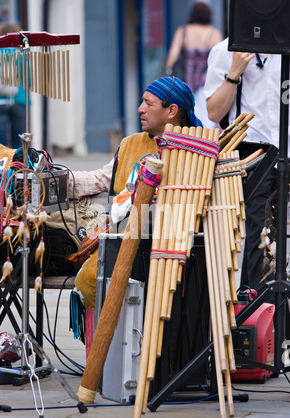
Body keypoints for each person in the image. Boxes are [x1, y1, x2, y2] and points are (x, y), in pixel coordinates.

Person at [70, 76, 203, 315]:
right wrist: (58, 180)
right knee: (90, 278)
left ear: (172, 110)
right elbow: (101, 179)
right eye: (142, 102)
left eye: (149, 104)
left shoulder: (195, 149)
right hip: (122, 239)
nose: (140, 109)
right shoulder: (130, 143)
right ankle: (111, 346)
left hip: (172, 245)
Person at [204, 37, 285, 293]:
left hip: (286, 143)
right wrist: (234, 73)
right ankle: (260, 307)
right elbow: (215, 113)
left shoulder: (284, 46)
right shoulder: (225, 50)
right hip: (253, 151)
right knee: (259, 233)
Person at [165, 2, 222, 128]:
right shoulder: (213, 33)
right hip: (205, 81)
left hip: (186, 80)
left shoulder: (183, 31)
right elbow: (218, 59)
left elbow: (172, 55)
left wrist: (168, 70)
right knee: (206, 119)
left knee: (188, 116)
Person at [0, 22, 27, 149]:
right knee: (18, 139)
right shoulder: (21, 55)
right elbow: (29, 79)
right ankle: (18, 166)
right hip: (18, 100)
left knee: (0, 139)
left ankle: (1, 167)